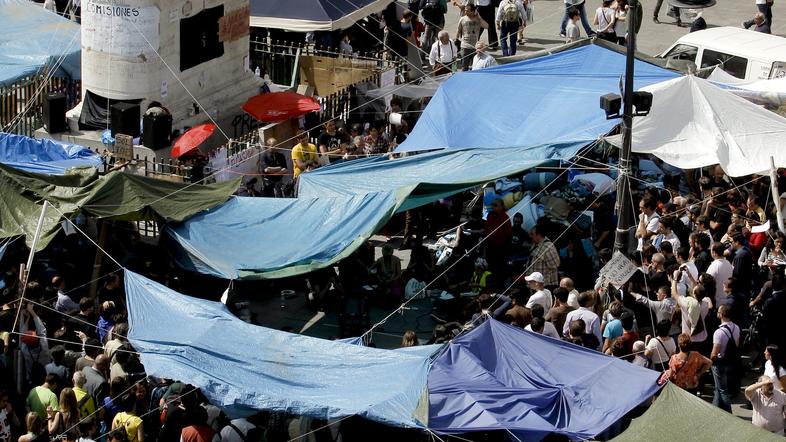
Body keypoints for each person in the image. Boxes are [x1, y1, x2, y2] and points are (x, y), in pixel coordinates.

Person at [710, 304, 741, 412]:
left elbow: (714, 353)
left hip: (720, 364)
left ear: (722, 315)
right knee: (719, 387)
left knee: (722, 389)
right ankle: (714, 409)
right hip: (731, 361)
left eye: (718, 312)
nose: (717, 313)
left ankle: (728, 413)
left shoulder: (718, 333)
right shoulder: (736, 327)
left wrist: (710, 360)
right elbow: (736, 344)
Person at [456, 4, 488, 71]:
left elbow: (486, 26)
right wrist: (459, 41)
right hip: (465, 47)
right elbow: (458, 31)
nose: (465, 12)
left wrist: (479, 18)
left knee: (475, 67)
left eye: (467, 11)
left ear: (473, 11)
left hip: (475, 47)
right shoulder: (462, 19)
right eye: (465, 10)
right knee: (464, 67)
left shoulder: (478, 19)